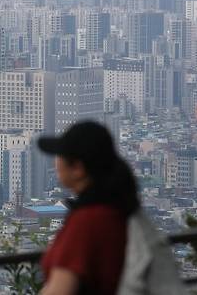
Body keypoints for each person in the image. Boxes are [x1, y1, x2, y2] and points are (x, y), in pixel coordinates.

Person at [38, 121, 140, 295]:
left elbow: (60, 290)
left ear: (77, 168)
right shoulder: (118, 208)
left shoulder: (88, 221)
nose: (56, 162)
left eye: (60, 155)